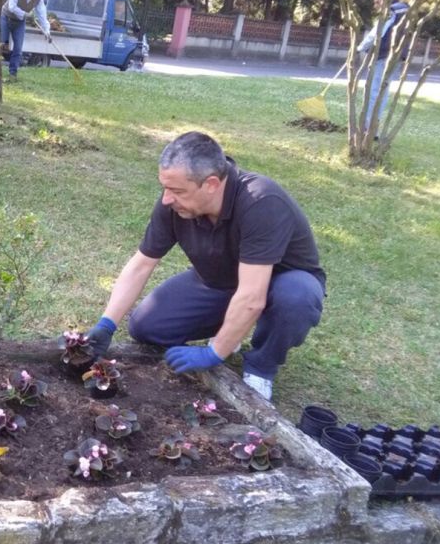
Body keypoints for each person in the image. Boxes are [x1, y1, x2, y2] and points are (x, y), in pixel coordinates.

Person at [80, 132, 326, 401]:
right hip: (220, 283)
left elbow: (253, 295)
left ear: (211, 184)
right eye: (165, 188)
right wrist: (107, 324)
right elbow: (141, 264)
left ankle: (260, 366)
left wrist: (215, 352)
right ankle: (231, 328)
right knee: (146, 326)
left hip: (277, 283)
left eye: (177, 191)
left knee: (296, 297)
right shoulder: (173, 204)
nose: (166, 199)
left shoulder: (261, 202)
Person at [357, 0, 409, 131]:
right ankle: (373, 127)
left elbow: (377, 33)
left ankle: (368, 128)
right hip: (397, 56)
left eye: (377, 2)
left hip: (385, 55)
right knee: (383, 90)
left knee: (375, 89)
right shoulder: (407, 10)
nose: (375, 6)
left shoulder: (391, 11)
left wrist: (360, 47)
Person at [0, 0, 51, 82]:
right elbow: (12, 7)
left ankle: (12, 75)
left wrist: (47, 31)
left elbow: (42, 14)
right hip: (5, 17)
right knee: (0, 45)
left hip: (19, 23)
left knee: (18, 49)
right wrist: (26, 14)